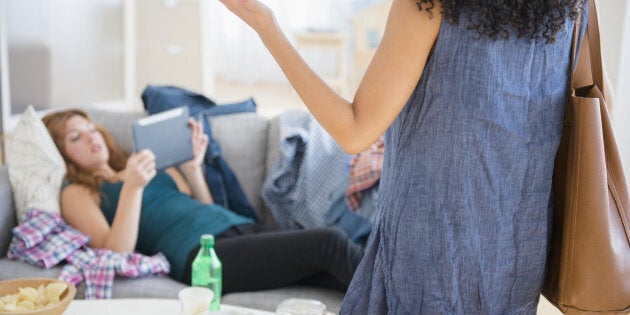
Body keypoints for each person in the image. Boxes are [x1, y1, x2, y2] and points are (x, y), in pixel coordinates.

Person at [218, 0, 587, 313]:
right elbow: (584, 111)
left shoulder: (428, 5)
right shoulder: (571, 7)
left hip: (434, 249)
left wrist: (266, 26)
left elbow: (355, 131)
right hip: (518, 252)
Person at [42, 109, 364, 293]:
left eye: (90, 128)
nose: (90, 137)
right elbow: (114, 254)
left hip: (235, 228)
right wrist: (131, 188)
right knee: (330, 243)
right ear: (62, 154)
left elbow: (203, 206)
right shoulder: (77, 192)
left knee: (331, 272)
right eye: (75, 137)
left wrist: (193, 170)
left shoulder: (137, 164)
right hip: (199, 256)